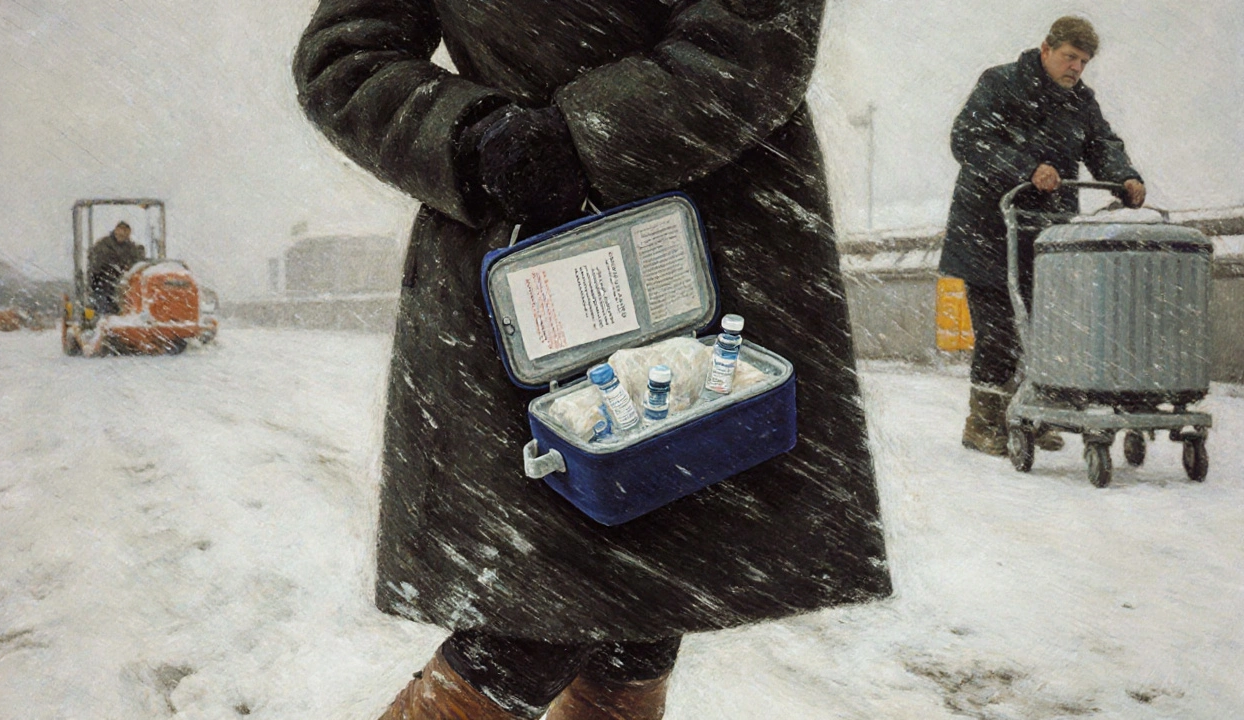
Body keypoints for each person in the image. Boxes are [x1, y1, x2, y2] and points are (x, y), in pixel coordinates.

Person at [293, 1, 892, 718]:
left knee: (639, 601)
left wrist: (585, 135)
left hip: (705, 238)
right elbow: (345, 56)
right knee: (545, 614)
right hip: (528, 268)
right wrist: (472, 137)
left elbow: (756, 31)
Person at [938, 16, 1145, 456]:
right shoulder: (1002, 84)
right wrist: (1026, 169)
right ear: (1047, 48)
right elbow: (968, 139)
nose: (1076, 68)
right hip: (990, 230)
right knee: (999, 331)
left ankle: (1030, 414)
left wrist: (1124, 177)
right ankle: (984, 422)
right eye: (1070, 57)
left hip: (1048, 236)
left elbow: (1102, 144)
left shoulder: (1080, 103)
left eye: (1084, 62)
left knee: (1047, 329)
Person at [87, 221, 146, 317]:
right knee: (105, 306)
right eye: (120, 230)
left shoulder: (131, 247)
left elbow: (137, 262)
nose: (122, 234)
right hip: (104, 283)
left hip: (124, 284)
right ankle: (106, 318)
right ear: (116, 231)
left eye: (126, 231)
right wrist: (120, 268)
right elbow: (101, 263)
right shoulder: (104, 245)